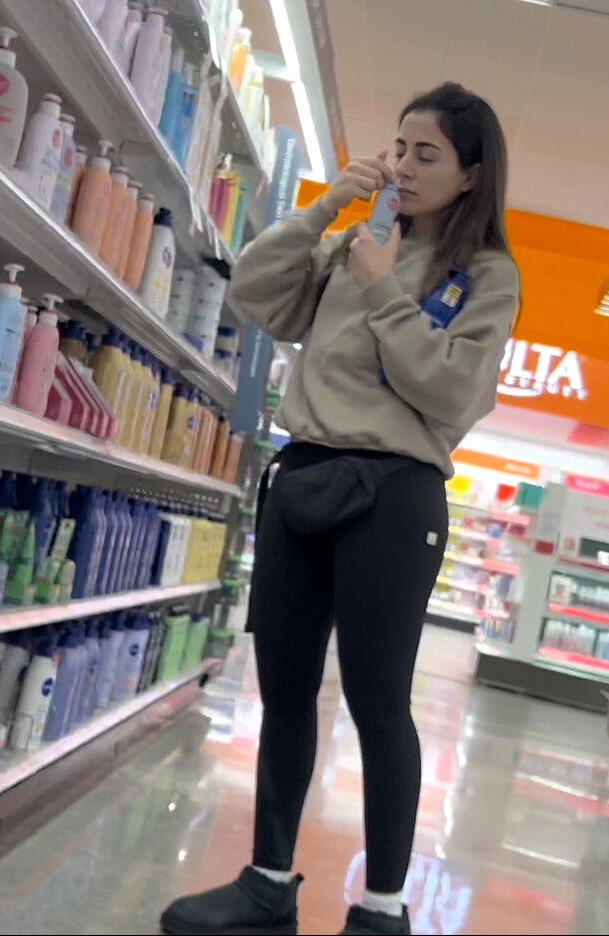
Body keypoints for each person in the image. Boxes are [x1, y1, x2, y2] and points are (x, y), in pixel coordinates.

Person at [160, 82, 520, 936]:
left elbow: (452, 390)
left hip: (394, 493)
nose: (404, 165)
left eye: (427, 153)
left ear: (472, 174)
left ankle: (381, 909)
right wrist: (325, 210)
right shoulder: (356, 241)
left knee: (377, 698)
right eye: (399, 148)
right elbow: (256, 293)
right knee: (284, 687)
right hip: (304, 472)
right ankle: (266, 883)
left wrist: (385, 290)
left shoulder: (485, 275)